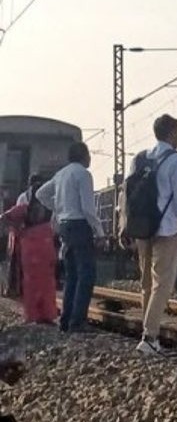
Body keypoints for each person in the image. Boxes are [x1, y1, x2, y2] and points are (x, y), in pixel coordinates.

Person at [122, 114, 177, 355]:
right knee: (162, 285)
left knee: (146, 284)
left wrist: (124, 225)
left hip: (142, 229)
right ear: (172, 134)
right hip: (168, 229)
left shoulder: (140, 158)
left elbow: (127, 196)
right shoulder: (176, 160)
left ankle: (148, 334)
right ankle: (149, 337)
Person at [36, 142, 104, 333]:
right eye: (89, 154)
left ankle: (66, 320)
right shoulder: (83, 174)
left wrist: (58, 208)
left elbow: (41, 194)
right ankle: (78, 321)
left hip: (64, 226)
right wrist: (99, 232)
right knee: (86, 274)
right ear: (84, 155)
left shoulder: (61, 174)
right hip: (79, 225)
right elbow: (88, 209)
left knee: (72, 275)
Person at [0, 190, 57, 324]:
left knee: (31, 284)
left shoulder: (24, 208)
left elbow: (4, 218)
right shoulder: (50, 205)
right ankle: (47, 315)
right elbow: (56, 226)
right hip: (47, 247)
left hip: (29, 249)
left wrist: (17, 229)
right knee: (47, 284)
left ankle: (32, 315)